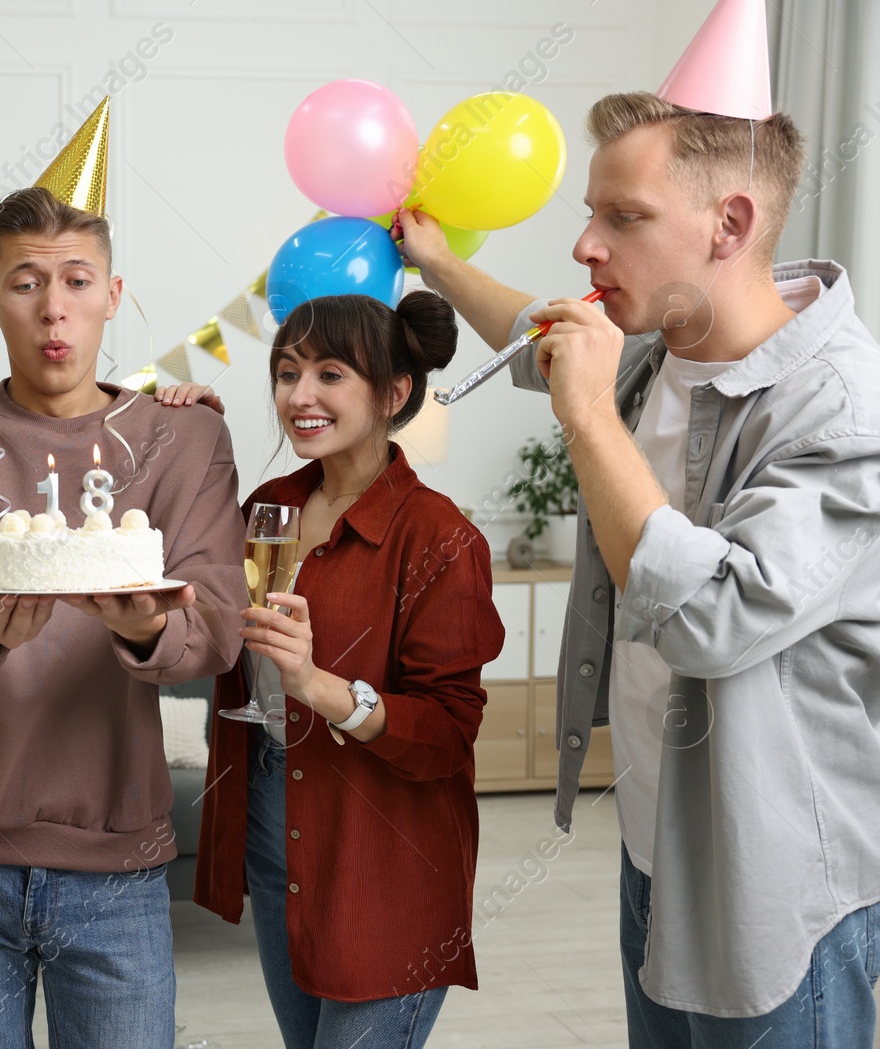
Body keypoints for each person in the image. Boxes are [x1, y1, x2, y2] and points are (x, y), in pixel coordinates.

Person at [400, 84, 880, 1043]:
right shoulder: (650, 357)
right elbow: (534, 330)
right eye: (591, 213)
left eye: (624, 217)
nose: (586, 245)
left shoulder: (840, 411)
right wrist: (440, 261)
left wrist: (583, 417)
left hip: (775, 887)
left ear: (729, 224)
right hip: (658, 847)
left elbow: (711, 622)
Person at [0, 182, 246, 1048]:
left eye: (76, 280)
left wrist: (145, 624)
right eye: (26, 282)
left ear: (114, 294)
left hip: (116, 861)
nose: (53, 309)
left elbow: (215, 628)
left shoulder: (183, 439)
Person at [165, 292, 503, 1049]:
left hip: (384, 861)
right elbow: (178, 577)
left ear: (393, 392)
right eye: (286, 372)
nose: (300, 395)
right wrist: (189, 436)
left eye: (329, 373)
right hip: (273, 830)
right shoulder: (267, 506)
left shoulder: (440, 537)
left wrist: (322, 688)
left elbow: (447, 734)